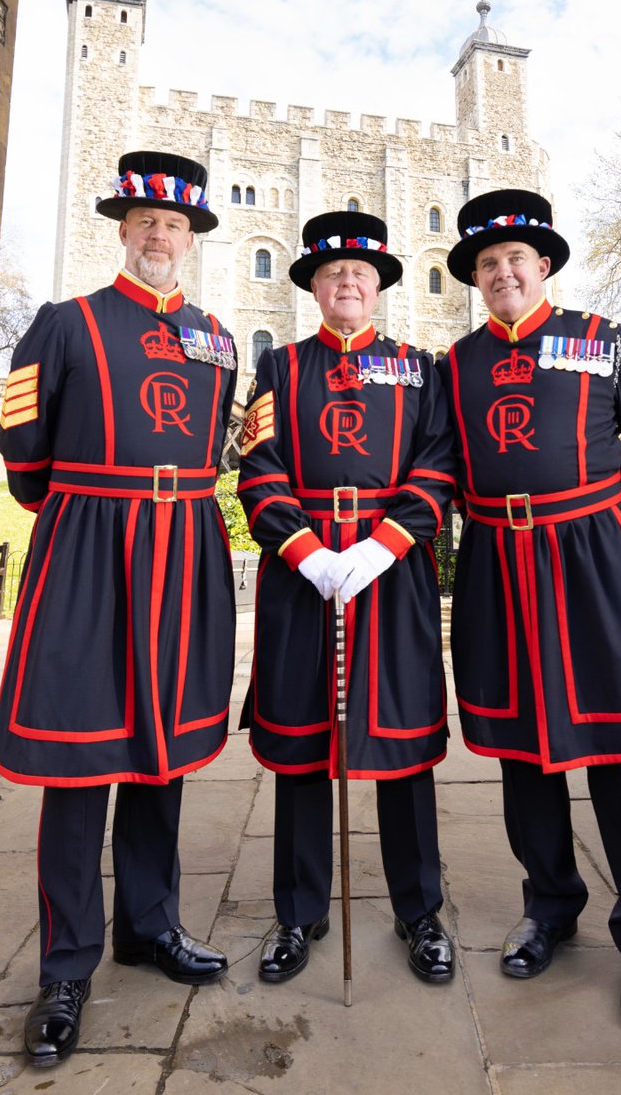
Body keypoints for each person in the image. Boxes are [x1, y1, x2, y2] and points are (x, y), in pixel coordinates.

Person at [0, 151, 237, 1066]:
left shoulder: (214, 337)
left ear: (190, 238)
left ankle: (150, 925)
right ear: (124, 231)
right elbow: (23, 451)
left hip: (185, 552)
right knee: (78, 757)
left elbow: (224, 441)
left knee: (160, 750)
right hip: (90, 552)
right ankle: (65, 966)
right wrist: (91, 514)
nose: (160, 235)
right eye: (145, 222)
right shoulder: (66, 324)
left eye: (174, 225)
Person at [437, 189, 621, 1031]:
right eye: (487, 264)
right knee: (523, 753)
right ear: (475, 279)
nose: (502, 273)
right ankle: (550, 905)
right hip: (498, 568)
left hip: (591, 563)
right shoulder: (455, 363)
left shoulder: (602, 338)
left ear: (543, 265)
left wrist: (604, 540)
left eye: (516, 260)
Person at [237, 211, 457, 985]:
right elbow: (257, 468)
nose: (347, 285)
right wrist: (305, 551)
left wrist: (380, 545)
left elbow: (438, 467)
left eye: (360, 275)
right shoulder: (281, 371)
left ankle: (419, 908)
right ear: (315, 288)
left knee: (401, 749)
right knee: (302, 749)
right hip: (304, 581)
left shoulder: (417, 370)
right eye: (333, 276)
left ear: (379, 286)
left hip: (390, 577)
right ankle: (298, 912)